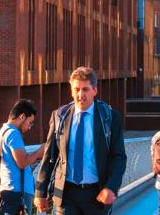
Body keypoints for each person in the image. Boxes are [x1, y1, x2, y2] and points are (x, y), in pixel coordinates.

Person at [34, 67, 128, 215]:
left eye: (85, 89)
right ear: (71, 91)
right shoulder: (59, 116)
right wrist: (40, 192)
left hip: (97, 194)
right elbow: (49, 156)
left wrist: (111, 187)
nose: (80, 95)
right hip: (66, 194)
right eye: (76, 89)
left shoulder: (109, 118)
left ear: (94, 90)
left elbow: (119, 157)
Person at [0, 99, 45, 215]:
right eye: (30, 122)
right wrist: (39, 152)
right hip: (18, 193)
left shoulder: (2, 132)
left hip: (8, 191)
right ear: (22, 117)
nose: (30, 127)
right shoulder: (13, 133)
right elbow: (22, 162)